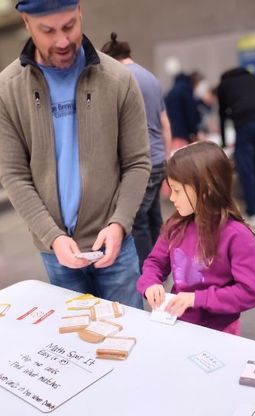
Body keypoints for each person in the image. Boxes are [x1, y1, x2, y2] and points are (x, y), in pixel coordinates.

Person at [0, 1, 150, 307]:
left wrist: (119, 224)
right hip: (57, 251)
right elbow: (14, 175)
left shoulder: (118, 79)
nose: (62, 41)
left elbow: (137, 162)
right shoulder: (3, 91)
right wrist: (53, 236)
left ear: (80, 11)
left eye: (69, 26)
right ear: (26, 22)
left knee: (129, 338)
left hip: (115, 242)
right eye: (47, 31)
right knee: (75, 345)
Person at [137, 141, 255, 335]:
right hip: (177, 323)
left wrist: (197, 298)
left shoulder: (237, 236)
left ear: (206, 191)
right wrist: (150, 283)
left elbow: (249, 291)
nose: (172, 198)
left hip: (220, 330)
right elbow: (154, 262)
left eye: (177, 191)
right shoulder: (175, 225)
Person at [101, 33, 172, 266]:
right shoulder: (150, 77)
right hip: (159, 156)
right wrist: (167, 156)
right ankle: (163, 264)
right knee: (153, 216)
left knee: (137, 220)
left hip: (141, 159)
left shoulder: (120, 78)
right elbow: (165, 122)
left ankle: (148, 273)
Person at [215, 66, 255, 227]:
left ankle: (253, 212)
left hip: (246, 123)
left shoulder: (225, 84)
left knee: (245, 167)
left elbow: (221, 113)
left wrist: (224, 141)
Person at [164, 73, 202, 150]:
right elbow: (191, 112)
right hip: (181, 133)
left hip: (171, 132)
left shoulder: (171, 91)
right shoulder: (185, 90)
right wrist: (194, 131)